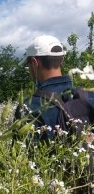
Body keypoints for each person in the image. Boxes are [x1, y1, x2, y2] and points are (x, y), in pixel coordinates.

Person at [14, 34, 94, 193]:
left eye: (28, 66)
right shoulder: (89, 96)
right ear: (61, 60)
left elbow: (20, 161)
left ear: (34, 63)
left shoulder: (29, 107)